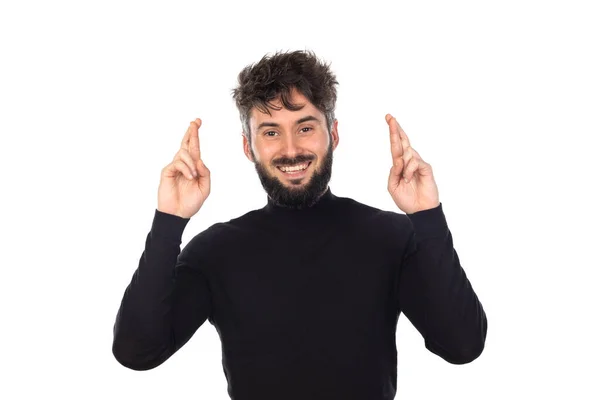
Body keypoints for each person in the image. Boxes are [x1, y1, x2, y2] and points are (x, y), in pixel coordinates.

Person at [112, 50, 487, 400]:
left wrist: (427, 217)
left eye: (305, 127)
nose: (290, 149)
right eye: (271, 132)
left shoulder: (392, 237)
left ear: (333, 135)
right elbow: (137, 352)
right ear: (249, 147)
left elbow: (462, 345)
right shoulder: (215, 251)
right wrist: (169, 221)